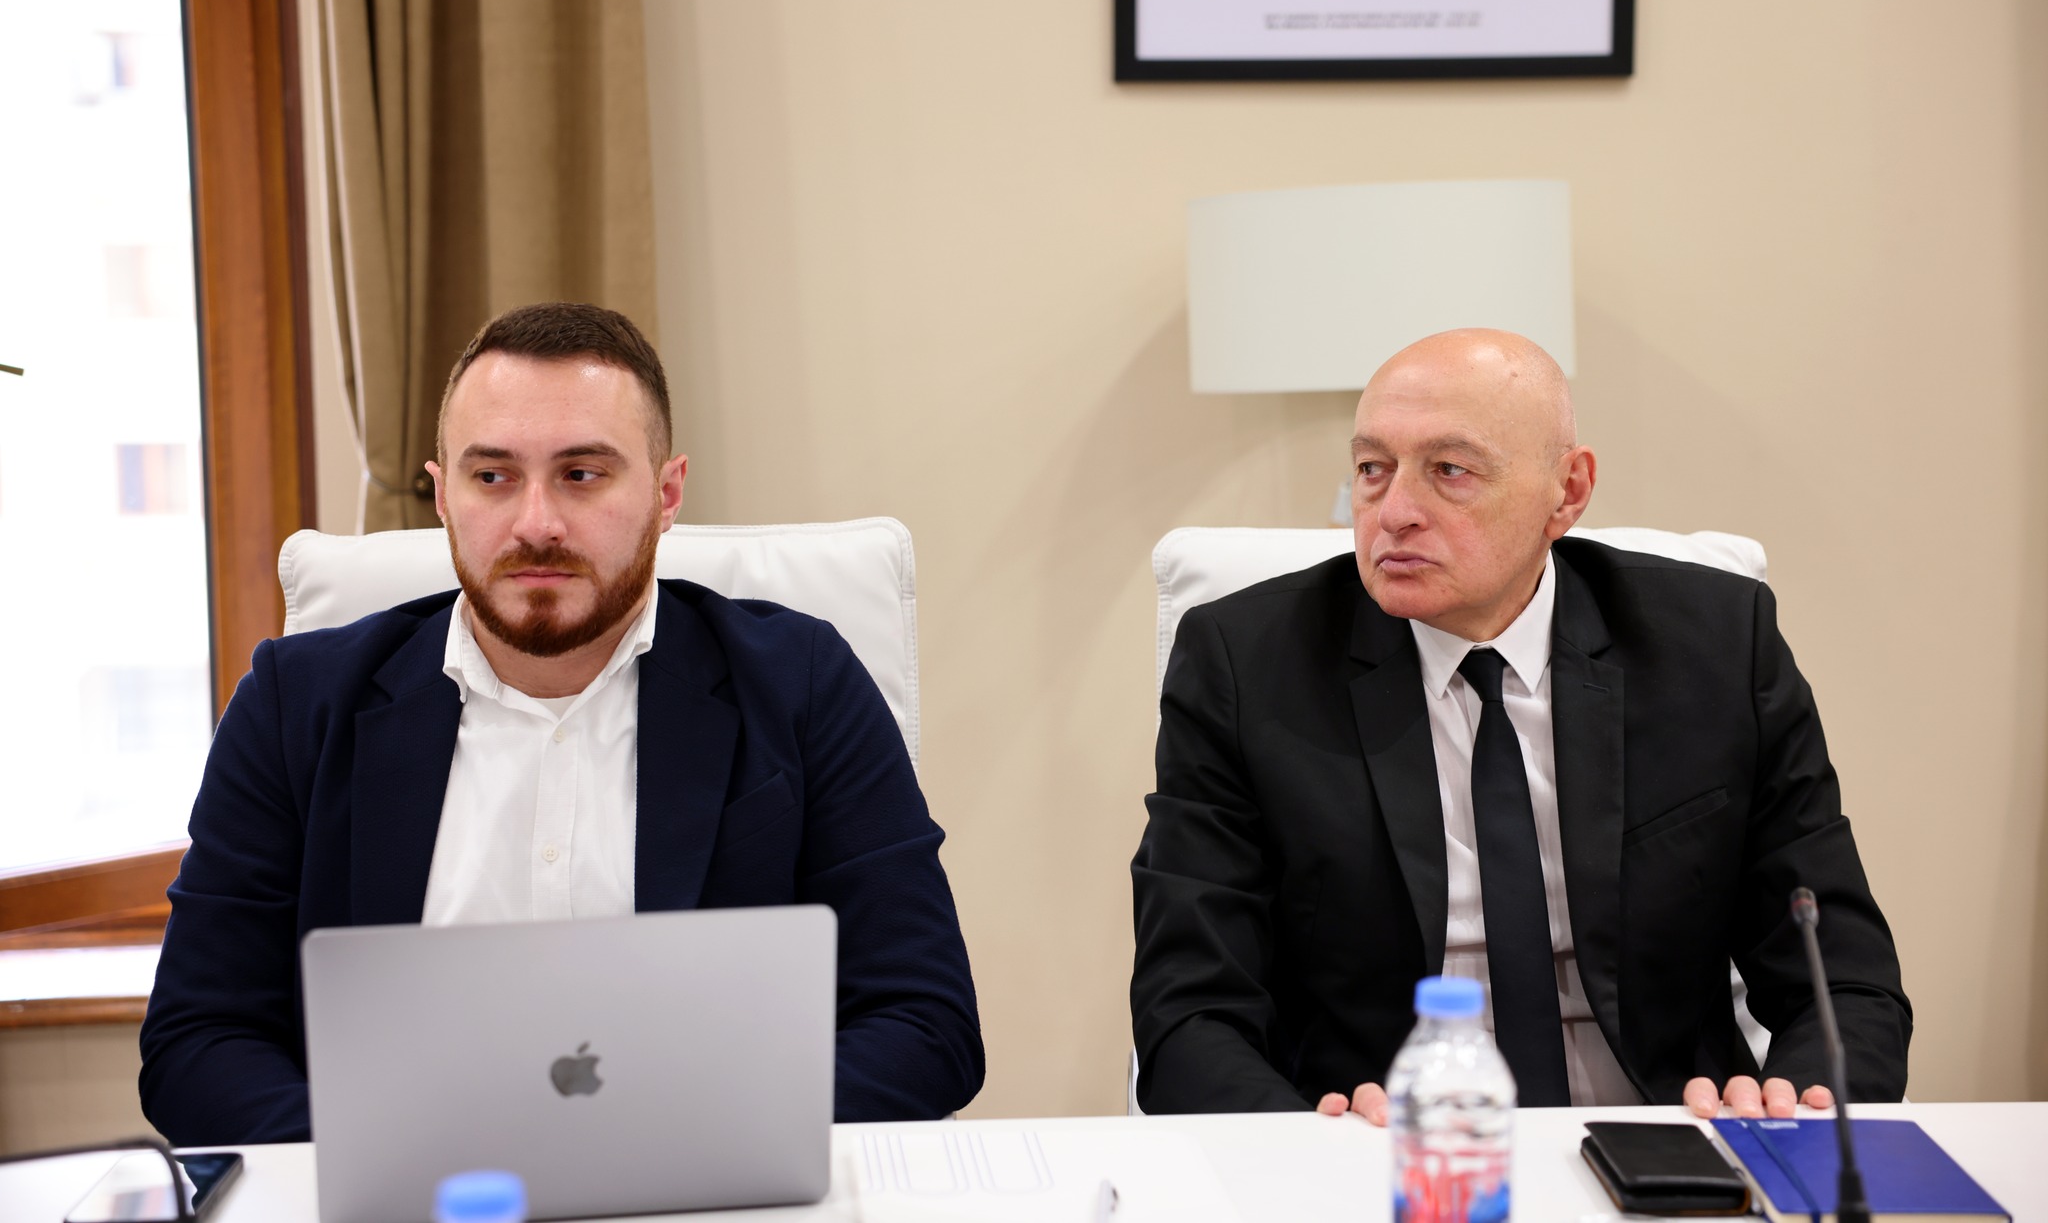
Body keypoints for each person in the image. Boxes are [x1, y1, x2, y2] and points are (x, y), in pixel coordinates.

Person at [140, 302, 983, 1144]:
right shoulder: (293, 704)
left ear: (666, 494)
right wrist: (388, 1154)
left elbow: (924, 1021)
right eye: (492, 476)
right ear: (442, 496)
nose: (536, 522)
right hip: (410, 1196)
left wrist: (674, 1146)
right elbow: (198, 1042)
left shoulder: (803, 684)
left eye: (581, 473)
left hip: (709, 1191)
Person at [1130, 329, 1909, 1121]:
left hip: (1673, 1136)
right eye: (1372, 468)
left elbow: (1844, 980)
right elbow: (1189, 1012)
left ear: (1567, 491)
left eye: (1450, 470)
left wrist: (1797, 1111)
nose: (1393, 512)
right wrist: (1309, 1148)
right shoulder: (1247, 665)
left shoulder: (1715, 646)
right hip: (1380, 1147)